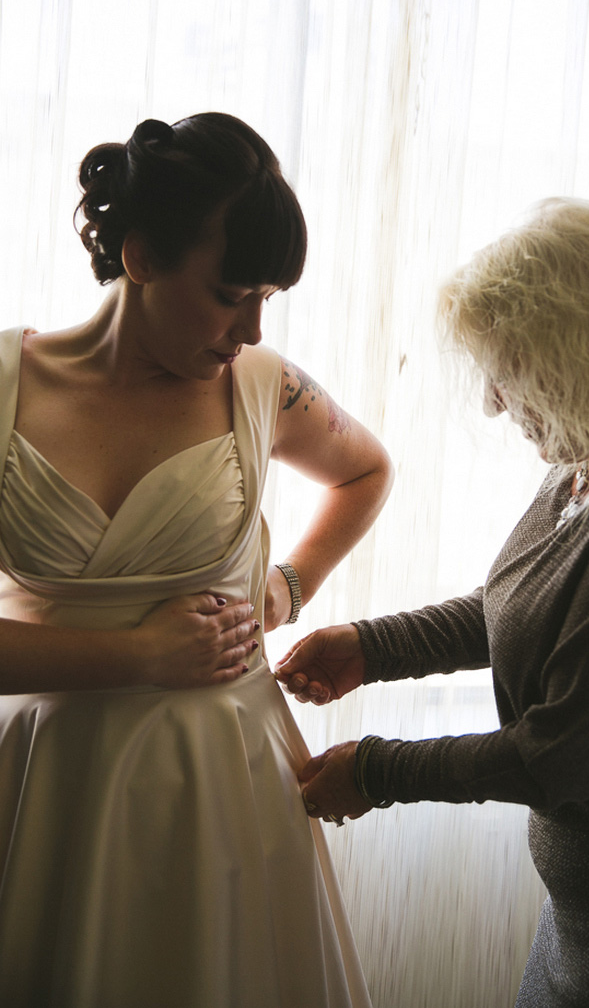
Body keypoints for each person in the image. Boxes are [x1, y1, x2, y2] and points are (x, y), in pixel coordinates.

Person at [0, 112, 393, 1008]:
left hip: (221, 790)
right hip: (42, 790)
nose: (252, 327)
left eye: (267, 298)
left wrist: (287, 589)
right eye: (230, 293)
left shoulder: (261, 387)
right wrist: (138, 656)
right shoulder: (5, 391)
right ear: (140, 256)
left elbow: (367, 470)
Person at [276, 198, 589, 1007]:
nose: (493, 404)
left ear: (583, 353)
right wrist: (373, 646)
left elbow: (562, 755)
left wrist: (376, 772)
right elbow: (510, 606)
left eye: (507, 371)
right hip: (585, 922)